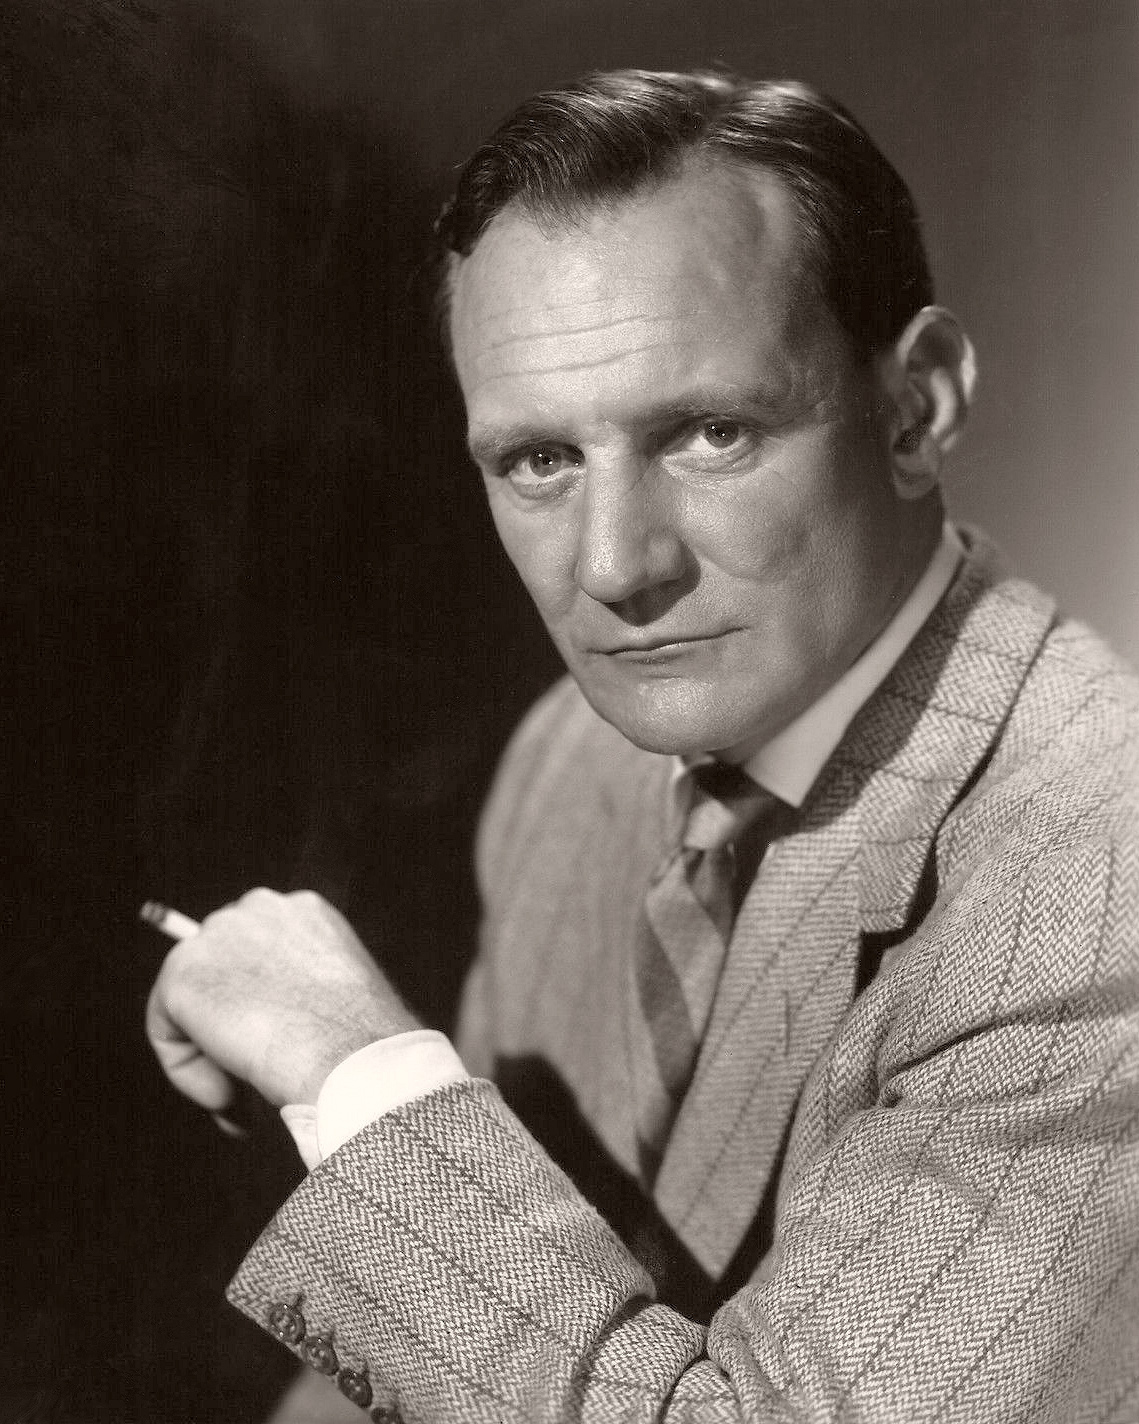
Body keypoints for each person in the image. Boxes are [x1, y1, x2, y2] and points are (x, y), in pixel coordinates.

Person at [146, 70, 1139, 1422]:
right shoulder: (574, 759)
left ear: (918, 407)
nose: (615, 569)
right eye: (539, 462)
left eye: (711, 434)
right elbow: (464, 1354)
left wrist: (361, 1082)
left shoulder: (1097, 886)